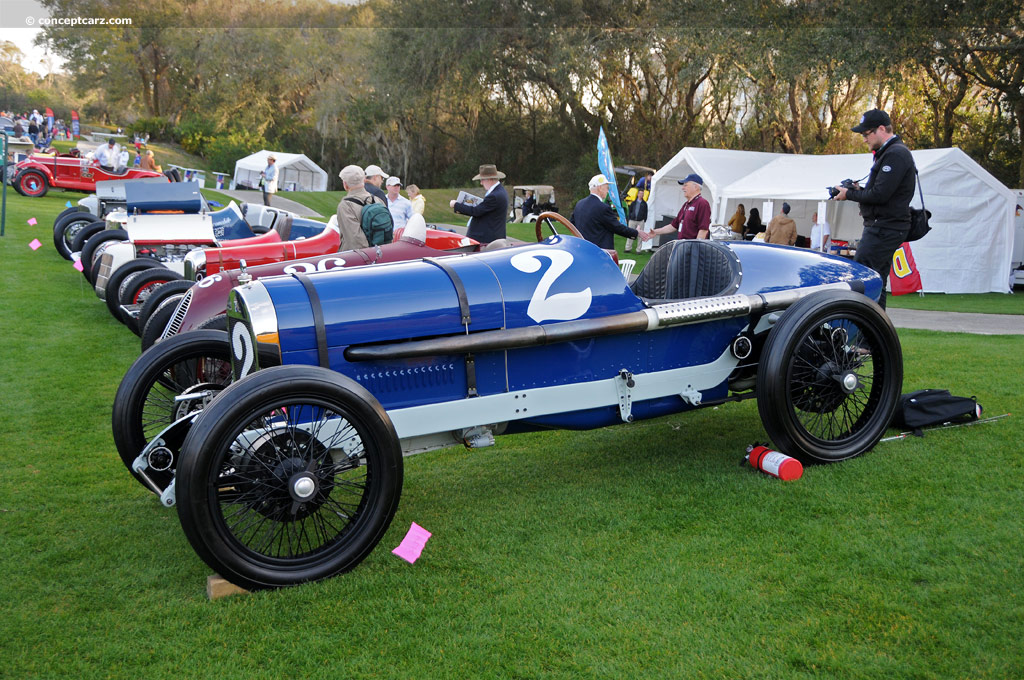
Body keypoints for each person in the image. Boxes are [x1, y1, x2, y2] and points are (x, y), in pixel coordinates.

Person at [834, 108, 916, 309]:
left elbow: (880, 195)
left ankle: (868, 332)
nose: (864, 139)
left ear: (881, 129)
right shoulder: (889, 153)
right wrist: (857, 189)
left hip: (884, 227)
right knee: (877, 280)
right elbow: (881, 192)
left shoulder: (895, 154)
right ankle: (876, 335)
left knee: (864, 277)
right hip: (884, 226)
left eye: (866, 134)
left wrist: (849, 194)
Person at [572, 174, 651, 251]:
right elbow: (617, 227)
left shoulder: (579, 204)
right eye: (607, 187)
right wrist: (636, 232)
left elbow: (572, 224)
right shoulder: (603, 208)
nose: (608, 190)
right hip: (600, 252)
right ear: (600, 188)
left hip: (582, 249)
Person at [450, 164, 509, 244]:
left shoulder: (494, 195)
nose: (481, 183)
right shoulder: (499, 192)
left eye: (482, 180)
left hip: (487, 239)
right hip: (491, 237)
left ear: (490, 179)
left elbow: (476, 211)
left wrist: (456, 205)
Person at [650, 173, 711, 240]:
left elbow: (703, 230)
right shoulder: (686, 204)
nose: (683, 188)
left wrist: (696, 247)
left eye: (686, 185)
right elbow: (674, 226)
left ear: (696, 187)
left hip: (691, 247)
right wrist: (656, 232)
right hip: (682, 246)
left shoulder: (702, 203)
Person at [336, 165, 377, 250]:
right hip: (380, 253)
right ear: (364, 180)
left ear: (345, 184)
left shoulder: (346, 206)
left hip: (357, 258)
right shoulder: (377, 200)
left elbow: (355, 241)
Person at [623, 184, 649, 253]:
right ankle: (628, 248)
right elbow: (630, 210)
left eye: (642, 194)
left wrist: (644, 220)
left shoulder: (644, 204)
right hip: (632, 220)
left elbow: (646, 212)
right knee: (630, 234)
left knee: (640, 236)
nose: (641, 195)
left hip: (640, 221)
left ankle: (638, 250)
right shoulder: (633, 203)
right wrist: (629, 218)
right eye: (640, 193)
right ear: (638, 194)